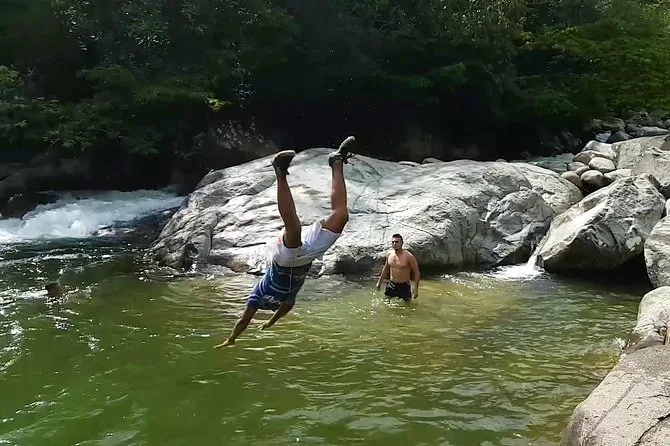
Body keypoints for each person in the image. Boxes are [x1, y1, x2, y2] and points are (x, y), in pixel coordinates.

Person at [215, 136, 356, 348]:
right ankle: (336, 161)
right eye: (275, 307)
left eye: (272, 307)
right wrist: (271, 322)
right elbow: (285, 309)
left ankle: (280, 172)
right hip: (307, 255)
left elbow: (244, 320)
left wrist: (232, 338)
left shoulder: (257, 296)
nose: (274, 306)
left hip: (284, 258)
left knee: (294, 229)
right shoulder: (288, 298)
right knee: (341, 216)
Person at [375, 234, 421, 301]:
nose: (394, 244)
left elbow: (416, 272)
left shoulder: (409, 256)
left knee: (406, 305)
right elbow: (385, 269)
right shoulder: (389, 254)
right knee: (387, 303)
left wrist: (416, 288)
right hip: (391, 284)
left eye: (396, 242)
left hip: (404, 286)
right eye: (393, 242)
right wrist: (379, 283)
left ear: (402, 243)